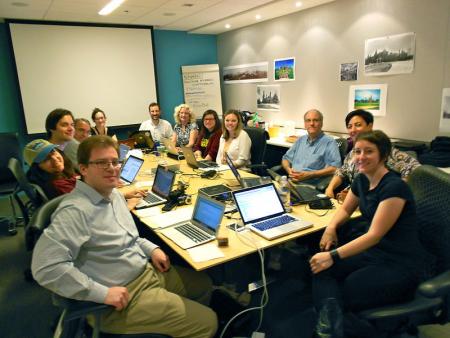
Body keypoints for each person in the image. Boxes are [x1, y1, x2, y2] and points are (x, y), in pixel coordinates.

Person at [31, 135, 217, 337]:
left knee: (204, 284)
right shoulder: (75, 211)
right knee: (208, 323)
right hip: (122, 298)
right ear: (83, 169)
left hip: (146, 272)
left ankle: (173, 326)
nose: (111, 168)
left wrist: (151, 248)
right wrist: (103, 294)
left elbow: (129, 237)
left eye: (115, 161)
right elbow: (45, 267)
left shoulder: (112, 194)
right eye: (101, 163)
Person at [309, 130, 424, 338]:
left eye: (369, 151)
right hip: (374, 252)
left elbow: (374, 235)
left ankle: (333, 324)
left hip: (398, 261)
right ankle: (331, 324)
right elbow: (345, 209)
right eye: (357, 151)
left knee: (348, 285)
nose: (361, 157)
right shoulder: (362, 179)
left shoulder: (394, 187)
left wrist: (332, 255)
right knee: (319, 268)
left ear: (383, 154)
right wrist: (330, 228)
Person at [325, 109, 421, 200]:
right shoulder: (352, 153)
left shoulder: (384, 150)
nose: (353, 130)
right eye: (349, 126)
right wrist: (330, 188)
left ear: (370, 126)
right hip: (354, 200)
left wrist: (397, 191)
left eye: (358, 125)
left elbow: (415, 167)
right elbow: (342, 172)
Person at [281, 109, 341, 185]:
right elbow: (285, 158)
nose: (312, 123)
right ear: (305, 124)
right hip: (291, 182)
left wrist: (310, 174)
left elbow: (336, 168)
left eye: (315, 120)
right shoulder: (300, 140)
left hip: (310, 186)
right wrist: (288, 169)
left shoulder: (329, 142)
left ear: (321, 123)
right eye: (308, 120)